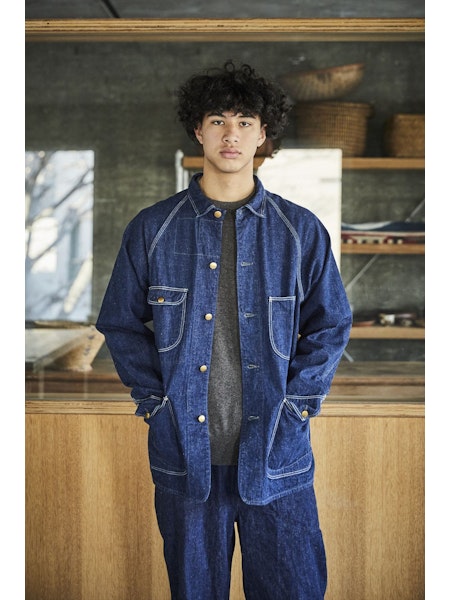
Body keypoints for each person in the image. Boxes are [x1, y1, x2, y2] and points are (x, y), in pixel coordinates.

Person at [96, 60, 352, 600]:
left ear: (263, 134)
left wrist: (298, 406)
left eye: (244, 122)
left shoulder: (300, 230)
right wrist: (155, 402)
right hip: (185, 457)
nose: (230, 134)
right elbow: (120, 322)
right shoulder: (153, 228)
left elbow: (330, 324)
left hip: (277, 456)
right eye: (217, 121)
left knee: (294, 590)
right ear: (198, 130)